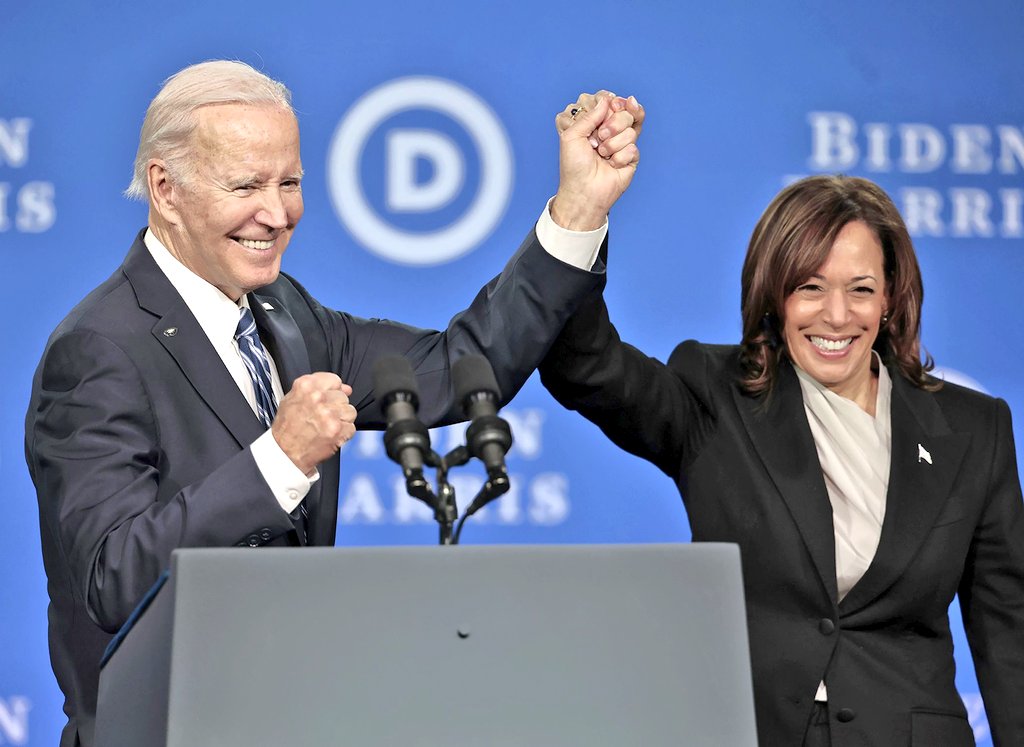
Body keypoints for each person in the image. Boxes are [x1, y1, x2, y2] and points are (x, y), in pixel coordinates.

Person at [24, 61, 642, 747]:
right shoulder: (98, 349)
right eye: (246, 185)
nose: (277, 213)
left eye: (289, 182)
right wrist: (278, 460)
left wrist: (580, 207)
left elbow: (457, 366)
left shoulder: (285, 312)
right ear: (166, 189)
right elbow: (111, 577)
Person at [539, 174, 1024, 746]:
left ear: (891, 296)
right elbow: (584, 364)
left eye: (861, 289)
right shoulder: (714, 395)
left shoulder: (973, 428)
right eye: (811, 288)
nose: (837, 317)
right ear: (774, 293)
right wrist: (581, 210)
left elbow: (1008, 633)